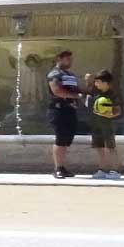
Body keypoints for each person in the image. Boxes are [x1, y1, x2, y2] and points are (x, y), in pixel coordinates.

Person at [46, 50, 80, 178]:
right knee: (60, 139)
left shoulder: (70, 74)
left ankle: (62, 167)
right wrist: (76, 95)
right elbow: (57, 91)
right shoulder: (54, 74)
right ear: (59, 59)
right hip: (58, 110)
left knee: (66, 139)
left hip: (70, 110)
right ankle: (58, 168)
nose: (71, 62)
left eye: (71, 59)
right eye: (68, 59)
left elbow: (76, 89)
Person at [84, 70, 121, 179]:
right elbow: (88, 79)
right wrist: (89, 78)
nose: (96, 84)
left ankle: (115, 171)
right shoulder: (96, 92)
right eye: (96, 82)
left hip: (107, 125)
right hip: (96, 125)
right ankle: (102, 170)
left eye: (98, 82)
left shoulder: (112, 94)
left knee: (110, 148)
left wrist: (110, 115)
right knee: (99, 148)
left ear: (106, 83)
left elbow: (118, 111)